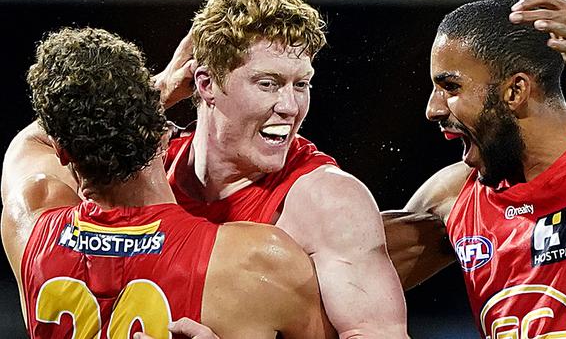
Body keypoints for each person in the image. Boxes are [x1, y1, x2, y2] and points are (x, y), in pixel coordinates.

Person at [1, 27, 335, 339]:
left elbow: (31, 141)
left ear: (62, 150)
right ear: (164, 138)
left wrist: (160, 87)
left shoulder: (28, 222)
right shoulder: (257, 259)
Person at [387, 0, 566, 337]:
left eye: (450, 87)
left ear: (514, 91)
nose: (433, 109)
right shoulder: (453, 195)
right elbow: (335, 277)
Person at [154, 0, 408, 337]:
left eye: (301, 84)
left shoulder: (327, 201)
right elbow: (52, 147)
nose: (290, 107)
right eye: (268, 84)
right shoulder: (147, 169)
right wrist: (160, 91)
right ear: (207, 85)